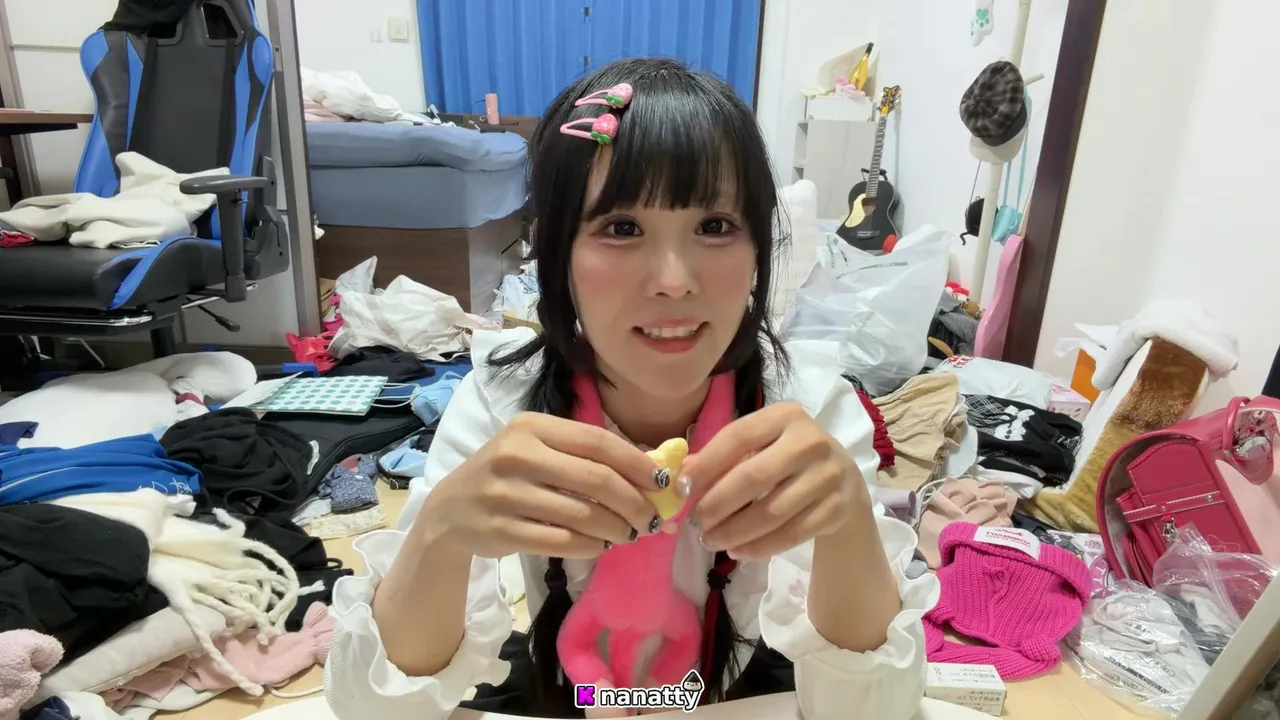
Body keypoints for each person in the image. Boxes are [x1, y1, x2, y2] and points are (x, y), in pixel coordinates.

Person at [324, 57, 939, 720]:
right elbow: (372, 712)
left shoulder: (809, 411)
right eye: (621, 228)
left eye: (715, 226)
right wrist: (440, 532)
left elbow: (874, 713)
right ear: (558, 254)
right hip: (568, 689)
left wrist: (849, 527)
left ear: (760, 249)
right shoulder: (502, 404)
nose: (674, 281)